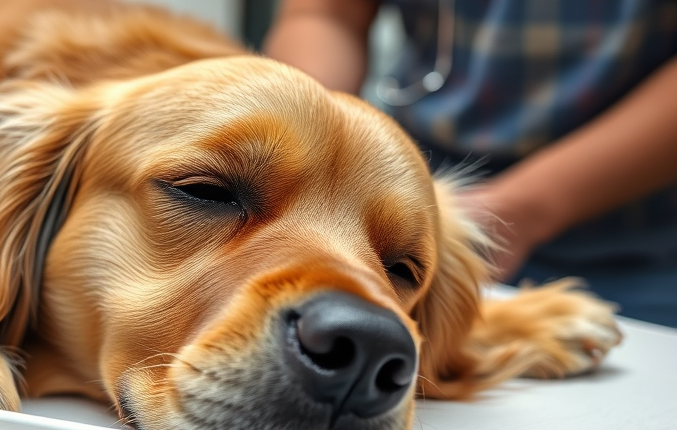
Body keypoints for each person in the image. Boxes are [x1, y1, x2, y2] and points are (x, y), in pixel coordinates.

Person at [264, 0, 677, 327]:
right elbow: (325, 13)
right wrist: (310, 139)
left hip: (641, 245)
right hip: (431, 199)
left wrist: (521, 209)